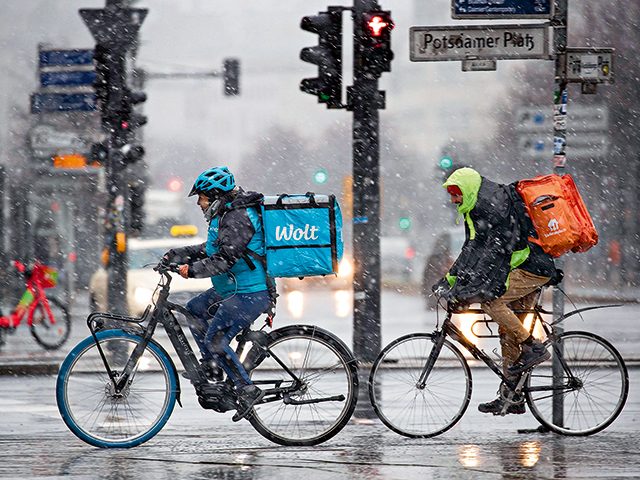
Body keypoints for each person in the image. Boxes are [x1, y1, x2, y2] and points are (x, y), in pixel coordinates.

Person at [433, 167, 558, 415]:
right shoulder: (477, 208)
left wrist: (477, 284)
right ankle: (512, 396)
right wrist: (451, 278)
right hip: (521, 264)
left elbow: (496, 251)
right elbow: (473, 248)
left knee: (492, 303)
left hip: (532, 266)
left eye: (456, 194)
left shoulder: (493, 206)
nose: (453, 200)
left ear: (468, 191)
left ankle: (534, 347)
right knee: (507, 328)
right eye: (451, 195)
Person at [162, 166, 273, 422]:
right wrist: (177, 253)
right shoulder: (224, 217)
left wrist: (191, 271)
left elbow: (224, 260)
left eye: (201, 197)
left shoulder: (238, 218)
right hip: (231, 289)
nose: (199, 203)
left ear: (215, 195)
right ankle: (212, 367)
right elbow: (209, 248)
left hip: (249, 293)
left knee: (216, 340)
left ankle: (246, 389)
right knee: (194, 309)